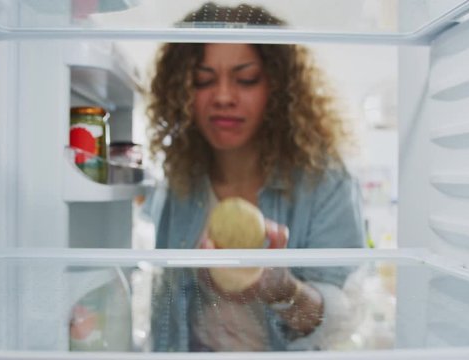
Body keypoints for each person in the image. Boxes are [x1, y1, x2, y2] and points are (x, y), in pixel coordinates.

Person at [142, 2, 366, 353]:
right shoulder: (181, 178)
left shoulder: (325, 182)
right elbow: (167, 303)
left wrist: (281, 289)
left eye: (246, 79)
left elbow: (342, 318)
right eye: (203, 80)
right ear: (183, 90)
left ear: (276, 88)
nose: (224, 97)